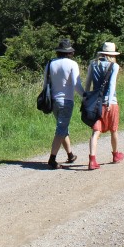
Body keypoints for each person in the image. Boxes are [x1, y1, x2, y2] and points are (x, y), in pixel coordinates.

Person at [83, 42, 124, 170]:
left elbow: (88, 83)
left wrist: (86, 97)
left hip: (96, 102)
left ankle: (92, 159)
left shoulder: (93, 64)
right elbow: (112, 84)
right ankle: (116, 155)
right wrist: (109, 102)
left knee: (96, 131)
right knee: (113, 130)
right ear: (112, 54)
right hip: (110, 101)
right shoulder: (114, 66)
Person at [45, 39, 83, 169]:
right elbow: (76, 85)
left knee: (63, 127)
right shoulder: (72, 64)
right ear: (69, 52)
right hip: (66, 101)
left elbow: (45, 84)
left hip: (54, 100)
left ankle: (70, 155)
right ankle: (52, 159)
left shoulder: (50, 63)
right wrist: (86, 96)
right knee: (61, 129)